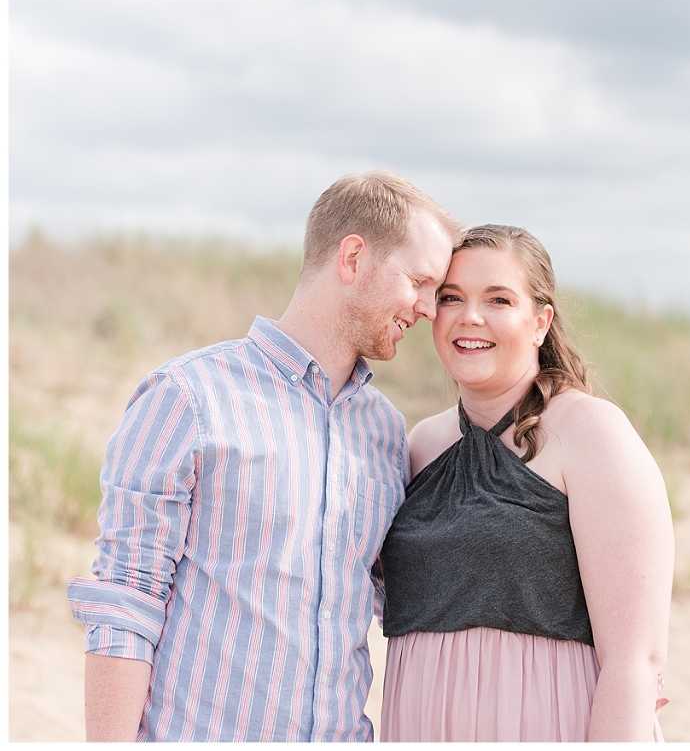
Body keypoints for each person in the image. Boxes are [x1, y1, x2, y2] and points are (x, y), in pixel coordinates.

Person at [68, 170, 461, 742]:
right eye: (420, 281)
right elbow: (126, 604)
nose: (429, 309)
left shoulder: (384, 433)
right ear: (353, 258)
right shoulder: (187, 398)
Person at [379, 224, 674, 743]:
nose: (471, 316)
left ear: (540, 322)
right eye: (452, 298)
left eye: (498, 299)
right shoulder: (420, 444)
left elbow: (634, 660)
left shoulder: (590, 432)